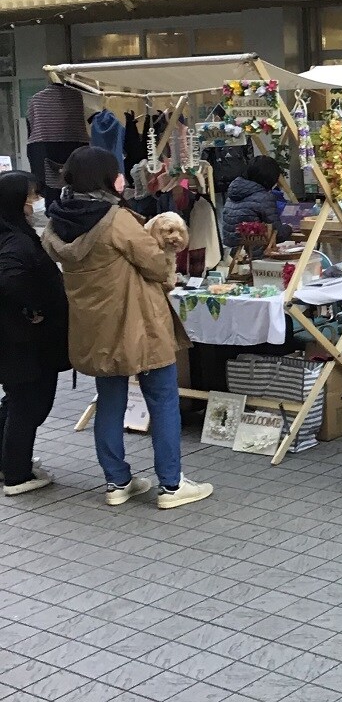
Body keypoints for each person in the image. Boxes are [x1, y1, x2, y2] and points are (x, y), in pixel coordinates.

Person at [42, 147, 213, 508]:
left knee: (109, 401)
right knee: (164, 400)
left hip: (95, 330)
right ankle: (171, 485)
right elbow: (155, 264)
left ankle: (117, 482)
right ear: (107, 178)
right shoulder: (116, 219)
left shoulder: (56, 223)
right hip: (140, 325)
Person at [0, 172, 70, 495]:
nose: (34, 204)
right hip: (21, 339)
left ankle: (9, 462)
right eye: (29, 197)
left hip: (17, 338)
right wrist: (34, 307)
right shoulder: (13, 241)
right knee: (29, 403)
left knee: (16, 402)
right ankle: (16, 474)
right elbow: (12, 279)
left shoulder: (12, 231)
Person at [221, 156, 293, 249]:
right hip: (255, 253)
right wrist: (289, 228)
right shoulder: (264, 197)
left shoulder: (232, 193)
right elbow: (277, 235)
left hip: (233, 254)